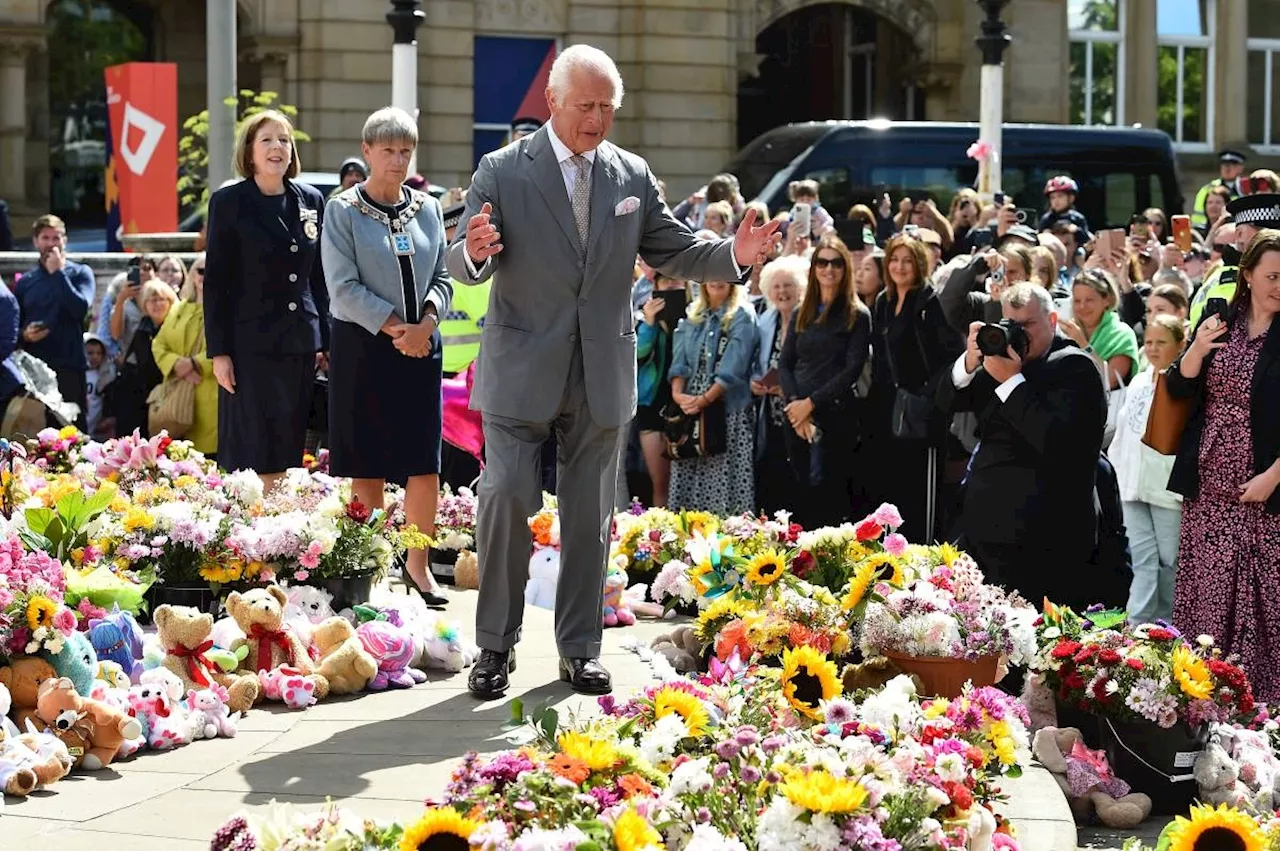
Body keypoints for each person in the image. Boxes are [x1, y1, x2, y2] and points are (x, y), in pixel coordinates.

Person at [446, 44, 779, 699]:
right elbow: (463, 257)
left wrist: (733, 256)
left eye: (608, 107)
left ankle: (578, 650)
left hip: (601, 371)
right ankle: (494, 646)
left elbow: (677, 248)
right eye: (586, 106)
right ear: (553, 102)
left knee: (591, 514)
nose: (597, 119)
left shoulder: (630, 175)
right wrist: (473, 253)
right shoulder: (503, 168)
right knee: (507, 496)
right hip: (520, 368)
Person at [321, 106, 453, 609]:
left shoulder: (428, 208)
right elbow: (342, 287)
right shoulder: (342, 210)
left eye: (406, 151)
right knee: (368, 463)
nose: (398, 160)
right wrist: (397, 327)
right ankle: (371, 567)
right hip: (364, 346)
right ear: (367, 152)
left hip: (422, 346)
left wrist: (427, 324)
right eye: (388, 150)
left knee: (424, 461)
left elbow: (443, 276)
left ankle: (418, 567)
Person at [938, 283, 1107, 608]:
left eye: (1027, 325)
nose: (1018, 335)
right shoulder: (1001, 361)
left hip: (1046, 543)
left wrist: (1011, 382)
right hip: (986, 535)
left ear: (1053, 320)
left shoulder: (1075, 367)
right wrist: (968, 364)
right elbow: (944, 403)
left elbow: (1057, 441)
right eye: (1010, 325)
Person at [1167, 229, 1280, 702]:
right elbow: (1178, 388)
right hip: (1210, 483)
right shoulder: (1219, 323)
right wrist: (1194, 349)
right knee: (1208, 597)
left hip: (1265, 487)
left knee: (1264, 602)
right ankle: (1203, 703)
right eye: (1273, 275)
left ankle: (1262, 710)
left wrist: (1274, 476)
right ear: (1248, 275)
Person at [204, 110, 330, 491]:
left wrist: (325, 339)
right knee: (252, 447)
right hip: (249, 346)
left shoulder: (310, 199)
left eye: (284, 139)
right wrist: (219, 352)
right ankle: (251, 535)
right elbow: (217, 282)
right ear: (250, 152)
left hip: (298, 344)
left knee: (289, 444)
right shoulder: (229, 201)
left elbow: (318, 277)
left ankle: (283, 533)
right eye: (267, 140)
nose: (277, 147)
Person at [866, 235, 964, 542]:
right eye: (894, 260)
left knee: (919, 491)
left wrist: (925, 396)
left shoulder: (929, 302)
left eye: (908, 261)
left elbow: (950, 357)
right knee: (888, 488)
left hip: (920, 412)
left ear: (919, 264)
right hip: (885, 409)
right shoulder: (883, 301)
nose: (899, 267)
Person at [778, 236, 871, 527]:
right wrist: (795, 406)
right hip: (796, 417)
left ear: (845, 268)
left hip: (835, 415)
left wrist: (811, 404)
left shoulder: (857, 314)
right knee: (799, 489)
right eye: (822, 262)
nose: (828, 269)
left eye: (836, 263)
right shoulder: (800, 311)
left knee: (829, 494)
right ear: (814, 267)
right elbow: (785, 362)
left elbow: (852, 369)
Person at [1111, 314, 1185, 624]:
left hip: (1167, 491)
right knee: (1143, 561)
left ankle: (1168, 629)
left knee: (1169, 564)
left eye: (1161, 342)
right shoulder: (1139, 380)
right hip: (1131, 487)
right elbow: (1122, 433)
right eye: (1149, 342)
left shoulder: (1186, 386)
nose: (1152, 349)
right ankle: (1136, 630)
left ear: (1181, 345)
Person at [15, 214, 95, 429]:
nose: (51, 244)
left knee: (73, 433)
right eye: (45, 238)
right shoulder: (26, 282)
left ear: (65, 240)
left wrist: (58, 273)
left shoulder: (80, 273)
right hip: (34, 370)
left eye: (56, 238)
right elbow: (14, 326)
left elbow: (80, 309)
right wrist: (25, 334)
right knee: (36, 434)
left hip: (69, 366)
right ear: (35, 241)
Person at [752, 255, 806, 514]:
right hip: (770, 416)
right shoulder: (764, 323)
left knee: (800, 481)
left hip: (802, 413)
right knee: (772, 478)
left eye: (788, 285)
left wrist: (788, 390)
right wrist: (756, 384)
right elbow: (755, 363)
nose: (782, 292)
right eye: (777, 286)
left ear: (801, 289)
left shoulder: (808, 322)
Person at [150, 258, 217, 456]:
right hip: (178, 397)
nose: (205, 276)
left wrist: (195, 364)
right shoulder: (178, 308)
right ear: (193, 275)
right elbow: (158, 344)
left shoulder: (228, 309)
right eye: (201, 270)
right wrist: (177, 365)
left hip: (211, 394)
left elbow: (231, 346)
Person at [635, 272, 689, 508]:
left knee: (686, 481)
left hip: (687, 404)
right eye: (665, 281)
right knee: (661, 483)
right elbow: (638, 355)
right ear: (655, 285)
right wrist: (649, 323)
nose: (671, 285)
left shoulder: (695, 317)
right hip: (653, 406)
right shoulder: (645, 320)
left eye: (676, 280)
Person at [113, 280, 177, 437]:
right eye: (152, 300)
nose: (157, 304)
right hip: (137, 395)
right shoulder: (143, 327)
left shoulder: (176, 327)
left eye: (162, 299)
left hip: (168, 395)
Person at [1192, 149, 1246, 231]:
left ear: (1241, 168)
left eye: (1232, 165)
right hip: (1207, 230)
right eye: (1224, 165)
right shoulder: (1207, 189)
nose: (1227, 168)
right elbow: (1198, 217)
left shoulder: (1246, 189)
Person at [83, 334, 116, 439]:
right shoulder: (79, 375)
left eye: (99, 353)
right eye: (90, 353)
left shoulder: (104, 377)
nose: (95, 357)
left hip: (96, 426)